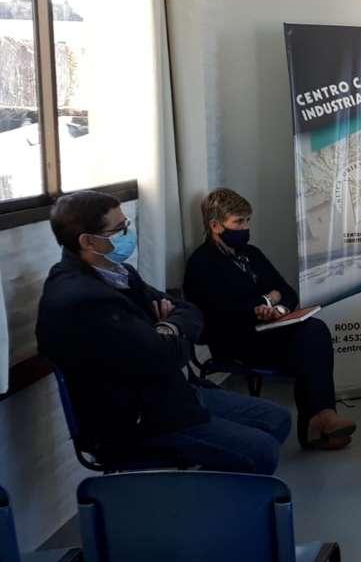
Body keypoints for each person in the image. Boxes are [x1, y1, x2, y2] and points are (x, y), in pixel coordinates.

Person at [36, 190, 291, 474]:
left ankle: (213, 481)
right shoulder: (81, 298)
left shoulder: (119, 273)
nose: (127, 233)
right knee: (262, 451)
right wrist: (169, 333)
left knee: (278, 419)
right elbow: (166, 357)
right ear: (87, 241)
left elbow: (190, 311)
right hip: (141, 418)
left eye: (127, 224)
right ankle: (212, 494)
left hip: (172, 392)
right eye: (119, 229)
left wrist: (167, 326)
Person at [184, 188, 356, 450]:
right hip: (234, 340)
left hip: (268, 330)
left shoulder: (251, 254)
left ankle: (321, 418)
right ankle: (319, 420)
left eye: (248, 220)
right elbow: (220, 311)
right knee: (310, 342)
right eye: (238, 222)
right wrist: (266, 301)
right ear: (215, 226)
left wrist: (280, 310)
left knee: (313, 330)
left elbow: (287, 292)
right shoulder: (201, 263)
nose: (246, 227)